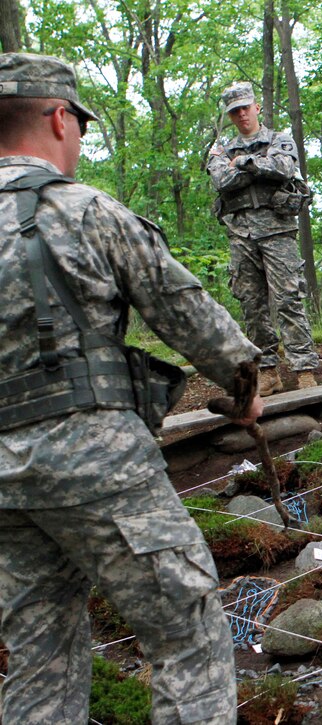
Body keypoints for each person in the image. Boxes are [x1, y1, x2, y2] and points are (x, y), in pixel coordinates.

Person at [0, 52, 262, 724]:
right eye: (79, 125)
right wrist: (244, 383)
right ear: (60, 118)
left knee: (39, 652)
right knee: (189, 629)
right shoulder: (82, 211)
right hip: (95, 463)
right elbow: (191, 318)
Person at [207, 81, 318, 396]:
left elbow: (283, 168)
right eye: (234, 111)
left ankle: (304, 370)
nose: (242, 115)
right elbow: (221, 179)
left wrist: (243, 163)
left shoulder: (279, 140)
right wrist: (258, 169)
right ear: (230, 115)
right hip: (241, 234)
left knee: (289, 300)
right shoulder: (221, 148)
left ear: (257, 107)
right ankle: (268, 370)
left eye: (245, 108)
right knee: (252, 305)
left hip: (278, 230)